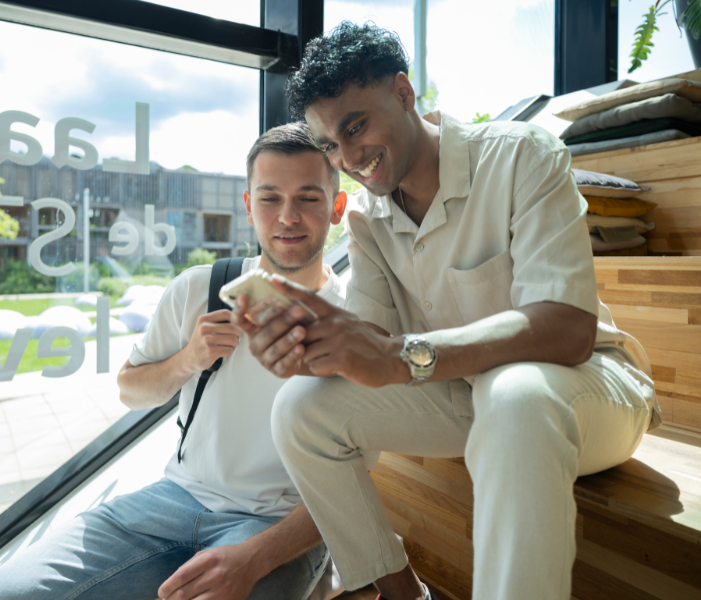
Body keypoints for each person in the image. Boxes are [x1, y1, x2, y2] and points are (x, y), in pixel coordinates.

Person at [234, 22, 660, 600]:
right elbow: (371, 347)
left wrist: (402, 355)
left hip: (585, 391)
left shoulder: (522, 156)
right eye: (331, 144)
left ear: (405, 94)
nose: (350, 157)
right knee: (299, 410)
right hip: (463, 394)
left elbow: (567, 328)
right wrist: (302, 349)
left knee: (514, 392)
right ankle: (403, 593)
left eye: (355, 126)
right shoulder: (366, 219)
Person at [0, 122, 353, 600]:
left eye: (308, 198)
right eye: (271, 198)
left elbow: (350, 487)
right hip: (172, 500)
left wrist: (255, 558)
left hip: (277, 522)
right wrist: (188, 358)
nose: (287, 217)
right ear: (249, 207)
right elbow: (130, 390)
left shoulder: (357, 321)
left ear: (337, 208)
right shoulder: (201, 288)